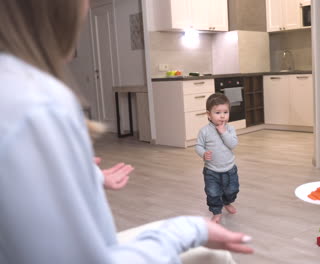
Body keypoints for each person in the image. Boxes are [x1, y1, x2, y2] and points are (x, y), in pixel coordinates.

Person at [0, 0, 253, 263]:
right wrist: (188, 229)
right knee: (215, 254)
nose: (86, 9)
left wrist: (86, 176)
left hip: (227, 169)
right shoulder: (41, 105)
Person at [195, 94, 240, 223]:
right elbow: (198, 146)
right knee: (212, 193)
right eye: (218, 112)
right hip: (211, 170)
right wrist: (203, 153)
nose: (222, 116)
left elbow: (233, 144)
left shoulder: (230, 129)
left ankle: (227, 202)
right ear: (209, 115)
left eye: (225, 112)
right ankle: (216, 211)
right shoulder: (204, 131)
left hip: (229, 168)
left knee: (232, 190)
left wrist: (223, 132)